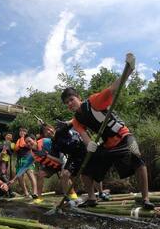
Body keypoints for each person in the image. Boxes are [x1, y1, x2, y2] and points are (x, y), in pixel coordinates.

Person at [61, 53, 154, 209]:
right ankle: (91, 198)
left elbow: (114, 88)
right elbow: (84, 136)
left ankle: (145, 198)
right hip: (108, 144)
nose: (70, 104)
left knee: (138, 159)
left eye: (71, 100)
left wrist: (128, 70)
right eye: (67, 103)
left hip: (124, 136)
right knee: (86, 168)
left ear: (78, 97)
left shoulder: (94, 101)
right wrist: (90, 144)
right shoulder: (76, 120)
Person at [14, 127, 37, 198]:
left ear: (26, 133)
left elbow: (32, 147)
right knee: (20, 177)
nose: (21, 132)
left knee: (30, 174)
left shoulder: (29, 139)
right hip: (19, 161)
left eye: (24, 131)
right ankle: (26, 193)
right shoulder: (18, 140)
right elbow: (16, 149)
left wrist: (25, 143)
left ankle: (34, 193)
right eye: (20, 131)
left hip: (28, 159)